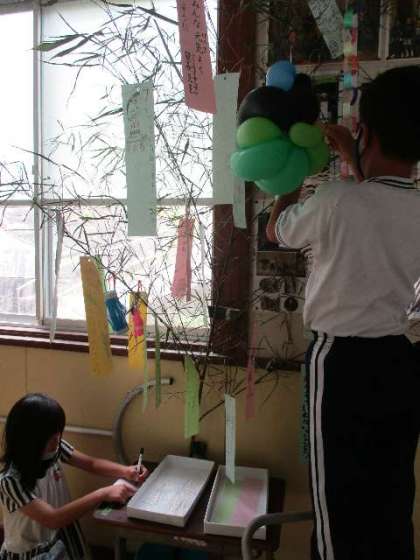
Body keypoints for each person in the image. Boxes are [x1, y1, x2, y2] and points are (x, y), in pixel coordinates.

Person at [266, 66, 420, 560]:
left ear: (365, 131)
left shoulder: (334, 201)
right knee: (390, 496)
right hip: (401, 360)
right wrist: (356, 157)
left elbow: (276, 230)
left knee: (337, 503)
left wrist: (290, 177)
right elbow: (380, 202)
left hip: (340, 365)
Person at [0, 393, 148, 560]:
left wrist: (126, 471)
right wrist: (102, 494)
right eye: (53, 438)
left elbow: (91, 464)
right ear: (32, 441)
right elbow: (52, 519)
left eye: (58, 435)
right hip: (29, 553)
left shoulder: (54, 450)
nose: (58, 441)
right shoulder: (10, 482)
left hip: (58, 537)